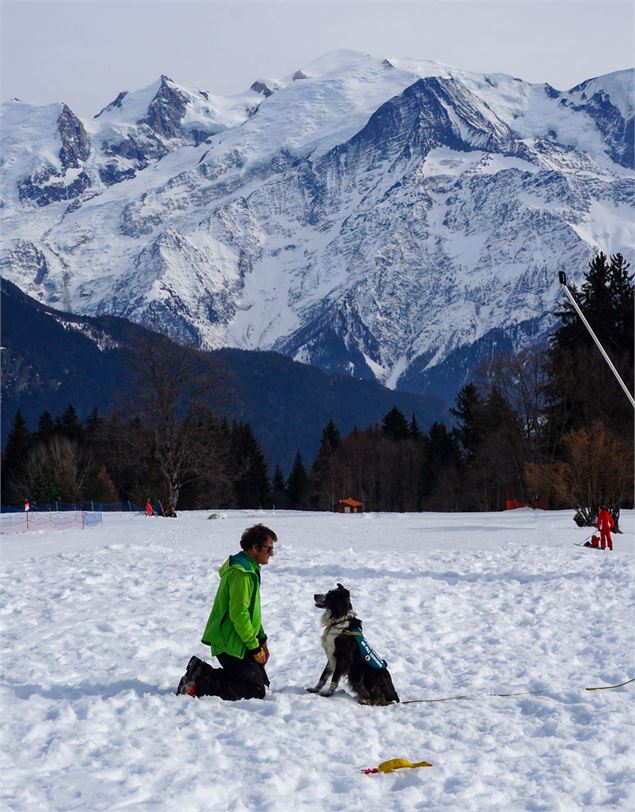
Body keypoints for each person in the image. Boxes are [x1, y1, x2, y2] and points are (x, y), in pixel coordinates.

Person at [176, 523, 277, 700]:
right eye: (269, 549)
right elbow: (239, 615)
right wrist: (255, 649)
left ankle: (202, 671)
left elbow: (252, 613)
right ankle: (197, 686)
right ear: (254, 548)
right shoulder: (242, 574)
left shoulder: (250, 569)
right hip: (229, 643)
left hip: (238, 639)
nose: (271, 554)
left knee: (262, 682)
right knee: (255, 690)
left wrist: (262, 640)